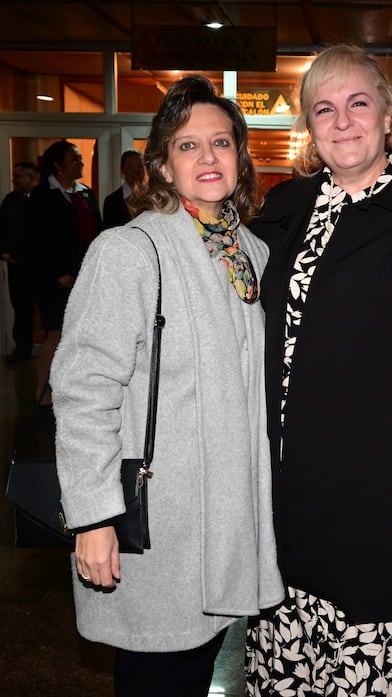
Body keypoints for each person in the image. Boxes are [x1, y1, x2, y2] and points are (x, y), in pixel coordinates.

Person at [245, 43, 392, 696]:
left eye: (357, 103)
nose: (342, 121)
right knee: (286, 642)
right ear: (309, 125)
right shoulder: (284, 207)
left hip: (383, 480)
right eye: (324, 108)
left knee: (370, 641)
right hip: (286, 482)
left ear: (387, 115)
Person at [49, 75, 283, 697]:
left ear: (241, 156)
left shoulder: (252, 256)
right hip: (159, 525)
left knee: (196, 667)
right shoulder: (129, 252)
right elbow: (83, 387)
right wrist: (94, 518)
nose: (208, 158)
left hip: (226, 522)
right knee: (155, 675)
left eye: (222, 142)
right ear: (160, 165)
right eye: (187, 145)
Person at [31, 140, 103, 407]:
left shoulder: (85, 193)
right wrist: (57, 273)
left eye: (80, 159)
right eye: (74, 159)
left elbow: (96, 232)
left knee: (81, 336)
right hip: (56, 282)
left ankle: (73, 388)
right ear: (58, 165)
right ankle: (42, 391)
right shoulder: (42, 196)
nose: (81, 163)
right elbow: (37, 242)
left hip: (83, 278)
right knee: (56, 335)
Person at [0, 161, 39, 364]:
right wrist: (4, 253)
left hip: (40, 267)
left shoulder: (43, 200)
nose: (14, 180)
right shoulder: (11, 200)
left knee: (45, 309)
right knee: (21, 308)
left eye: (18, 176)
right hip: (17, 266)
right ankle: (22, 347)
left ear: (30, 178)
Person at [102, 148, 146, 228]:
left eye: (140, 166)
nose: (136, 171)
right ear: (122, 169)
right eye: (130, 167)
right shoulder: (112, 202)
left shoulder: (156, 196)